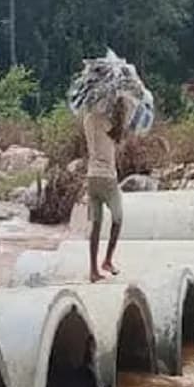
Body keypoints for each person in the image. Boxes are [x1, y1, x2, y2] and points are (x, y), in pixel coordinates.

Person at [84, 95, 126, 283]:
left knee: (96, 225)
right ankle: (107, 260)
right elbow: (118, 134)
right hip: (108, 178)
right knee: (118, 218)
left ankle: (93, 269)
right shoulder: (106, 121)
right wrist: (121, 108)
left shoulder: (88, 120)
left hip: (91, 177)